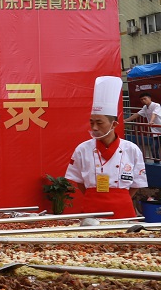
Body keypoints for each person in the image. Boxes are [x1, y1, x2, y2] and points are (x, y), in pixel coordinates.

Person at [66, 76, 147, 219]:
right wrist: (94, 195)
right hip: (92, 206)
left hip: (122, 208)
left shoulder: (131, 149)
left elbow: (136, 183)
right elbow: (79, 181)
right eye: (91, 122)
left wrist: (119, 198)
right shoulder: (82, 149)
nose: (94, 127)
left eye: (99, 123)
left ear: (114, 124)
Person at [125, 91, 161, 163]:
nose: (143, 101)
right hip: (155, 132)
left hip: (159, 128)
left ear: (149, 98)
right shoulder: (145, 107)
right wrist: (126, 120)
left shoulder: (156, 105)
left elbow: (154, 114)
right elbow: (137, 114)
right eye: (141, 99)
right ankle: (157, 163)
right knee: (153, 148)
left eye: (145, 99)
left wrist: (151, 121)